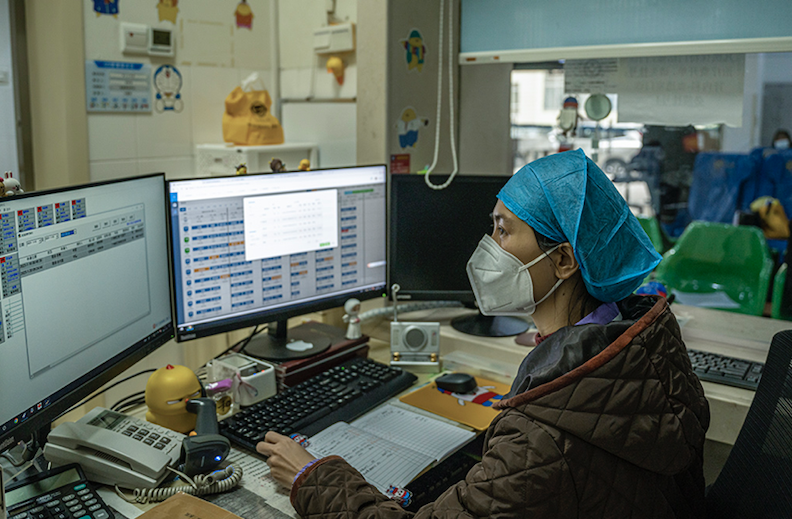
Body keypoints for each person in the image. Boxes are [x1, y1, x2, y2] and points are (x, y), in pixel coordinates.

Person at [256, 149, 711, 518]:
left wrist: (312, 477)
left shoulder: (541, 437)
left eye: (503, 230)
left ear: (563, 261)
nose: (487, 246)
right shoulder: (644, 345)